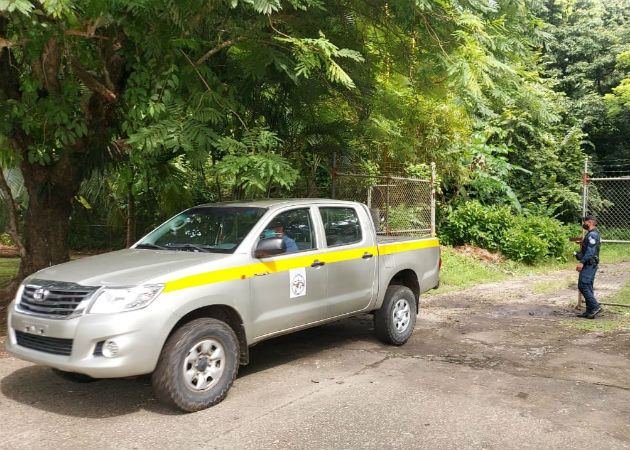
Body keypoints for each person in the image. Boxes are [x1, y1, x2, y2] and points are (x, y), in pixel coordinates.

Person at [575, 215, 602, 319]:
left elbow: (590, 252)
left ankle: (595, 306)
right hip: (590, 264)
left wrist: (581, 262)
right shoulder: (591, 234)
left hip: (589, 264)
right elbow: (589, 248)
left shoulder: (593, 235)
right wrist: (583, 243)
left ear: (590, 222)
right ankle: (589, 310)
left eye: (585, 222)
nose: (584, 224)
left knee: (583, 285)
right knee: (588, 286)